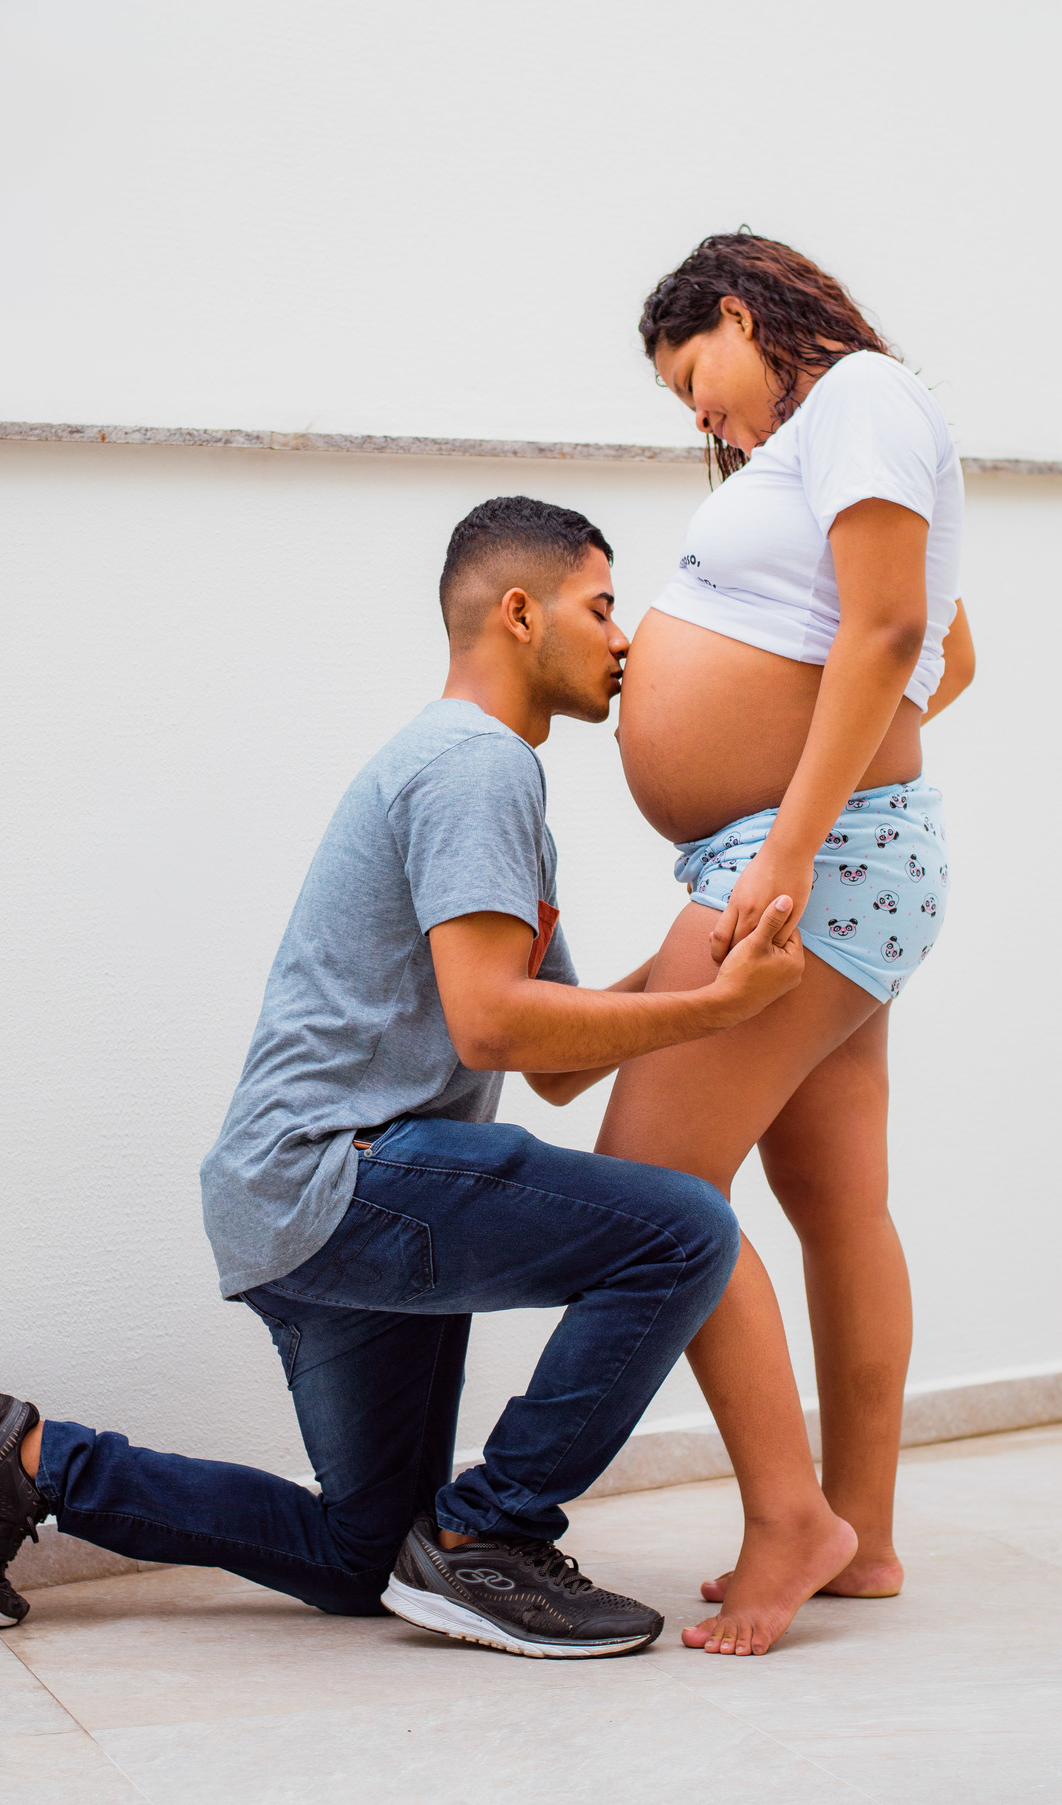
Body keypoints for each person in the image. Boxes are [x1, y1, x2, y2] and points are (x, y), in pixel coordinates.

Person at [0, 495, 805, 1661]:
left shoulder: (491, 791)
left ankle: (31, 1458)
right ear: (520, 612)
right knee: (686, 1229)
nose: (627, 638)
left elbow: (552, 1060)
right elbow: (492, 1026)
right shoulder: (475, 765)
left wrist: (699, 960)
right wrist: (718, 1011)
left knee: (362, 1555)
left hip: (304, 1198)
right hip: (343, 1177)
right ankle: (492, 1535)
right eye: (603, 607)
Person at [596, 231, 976, 1656]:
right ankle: (862, 1534)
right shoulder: (833, 440)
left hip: (803, 868)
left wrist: (799, 841)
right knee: (833, 1196)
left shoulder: (864, 394)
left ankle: (789, 1519)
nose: (697, 413)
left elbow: (890, 637)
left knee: (646, 1188)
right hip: (813, 854)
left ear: (743, 317)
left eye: (694, 375)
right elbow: (948, 649)